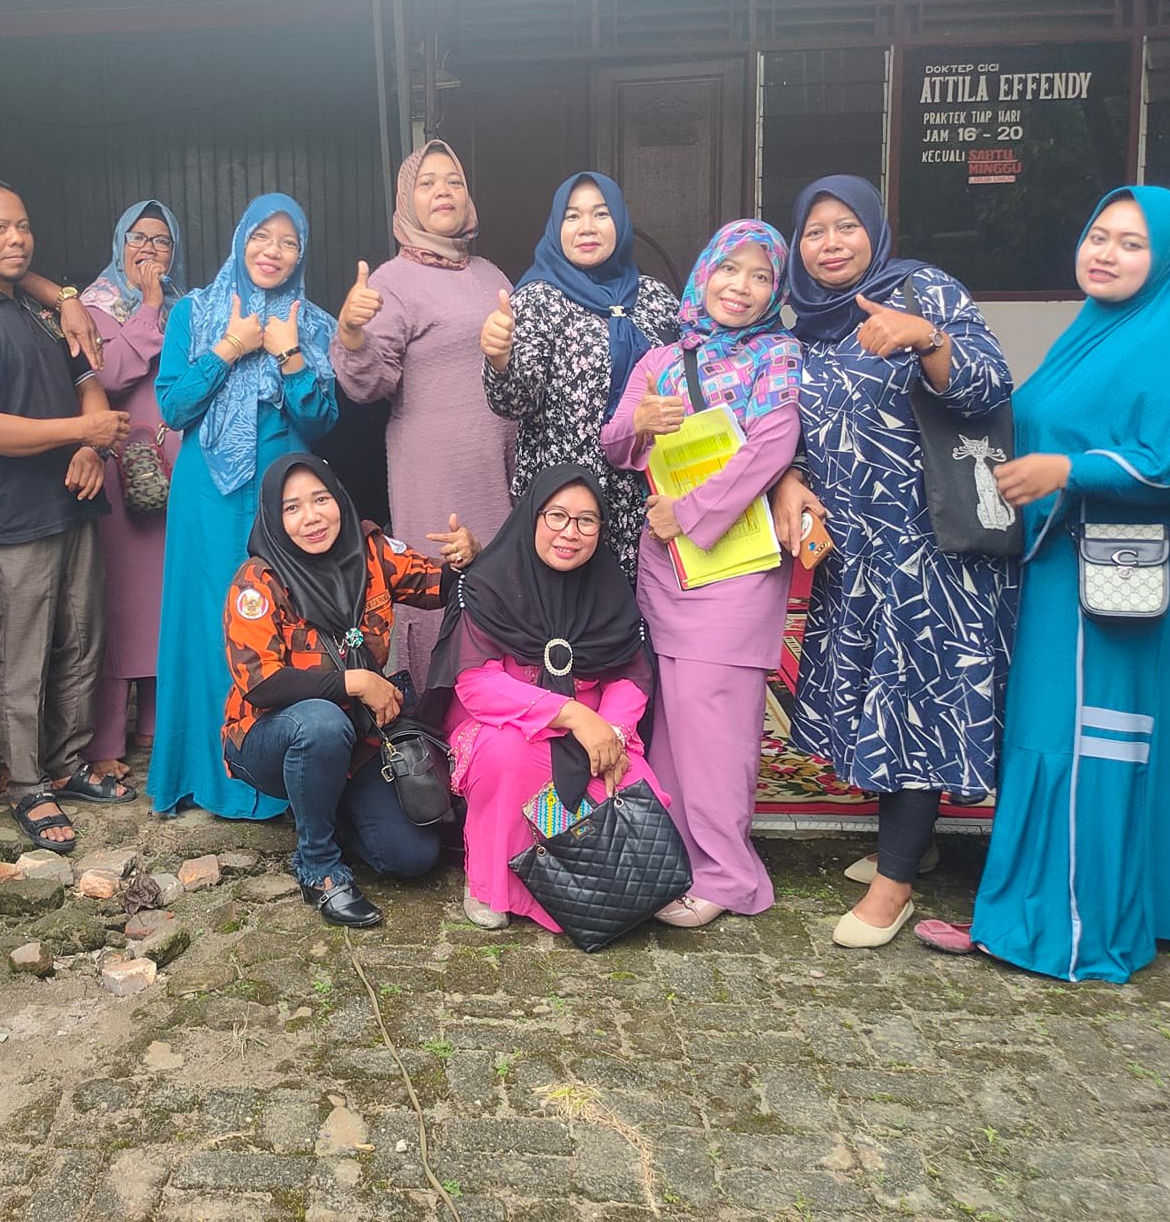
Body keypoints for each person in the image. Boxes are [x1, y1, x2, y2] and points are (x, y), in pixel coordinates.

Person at [918, 188, 1170, 982]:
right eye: (1099, 235)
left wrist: (1071, 469)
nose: (1106, 253)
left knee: (1082, 732)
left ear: (1166, 258)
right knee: (1078, 728)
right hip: (1078, 563)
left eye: (1131, 243)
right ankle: (1118, 903)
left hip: (1127, 576)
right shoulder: (1095, 333)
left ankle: (1060, 926)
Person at [768, 175, 1016, 950]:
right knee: (877, 699)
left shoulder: (924, 291)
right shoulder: (805, 326)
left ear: (875, 230)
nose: (831, 243)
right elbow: (792, 429)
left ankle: (897, 882)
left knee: (915, 698)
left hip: (930, 551)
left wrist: (927, 340)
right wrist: (790, 478)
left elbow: (989, 387)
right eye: (815, 231)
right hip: (855, 556)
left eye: (847, 226)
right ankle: (914, 841)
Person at [602, 220, 801, 926]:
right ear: (704, 273)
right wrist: (640, 422)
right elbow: (614, 442)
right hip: (667, 567)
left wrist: (688, 512)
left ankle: (730, 877)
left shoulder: (778, 354)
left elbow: (771, 447)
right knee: (676, 723)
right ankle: (683, 860)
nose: (741, 287)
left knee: (717, 727)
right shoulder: (661, 359)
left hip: (735, 564)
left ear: (776, 290)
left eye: (760, 276)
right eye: (729, 269)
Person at [0, 178, 129, 854]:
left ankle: (68, 763)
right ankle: (25, 783)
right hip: (12, 519)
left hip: (73, 500)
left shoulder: (37, 308)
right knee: (23, 657)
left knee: (82, 639)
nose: (16, 238)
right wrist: (78, 433)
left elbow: (86, 379)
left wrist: (90, 443)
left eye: (22, 225)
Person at [150, 194, 340, 818]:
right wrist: (230, 347)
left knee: (284, 623)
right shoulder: (194, 312)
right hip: (206, 492)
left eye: (289, 242)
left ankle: (278, 775)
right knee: (208, 622)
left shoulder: (314, 324)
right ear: (240, 239)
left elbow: (323, 419)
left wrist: (289, 354)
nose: (273, 252)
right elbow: (173, 407)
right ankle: (203, 772)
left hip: (284, 491)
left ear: (301, 254)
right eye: (262, 236)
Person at [221, 455, 470, 925]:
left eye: (321, 499)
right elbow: (261, 683)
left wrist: (468, 557)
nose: (312, 517)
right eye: (292, 507)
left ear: (339, 498)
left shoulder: (372, 552)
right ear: (274, 517)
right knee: (321, 723)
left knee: (412, 857)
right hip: (269, 737)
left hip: (359, 739)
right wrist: (356, 681)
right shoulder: (258, 582)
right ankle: (318, 866)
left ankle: (327, 810)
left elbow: (441, 586)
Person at [433, 465, 662, 933]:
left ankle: (593, 894)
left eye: (586, 520)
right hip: (507, 724)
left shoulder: (609, 589)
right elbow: (477, 684)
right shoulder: (491, 583)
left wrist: (611, 731)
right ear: (532, 515)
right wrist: (573, 714)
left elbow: (631, 674)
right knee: (507, 759)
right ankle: (491, 883)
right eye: (556, 516)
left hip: (592, 730)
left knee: (634, 788)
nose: (570, 532)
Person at [331, 140, 516, 689]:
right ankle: (434, 720)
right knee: (441, 587)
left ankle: (502, 717)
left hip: (501, 466)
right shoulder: (392, 281)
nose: (443, 192)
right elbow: (367, 384)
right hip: (436, 472)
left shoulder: (491, 274)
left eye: (454, 181)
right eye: (427, 183)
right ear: (405, 200)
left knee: (504, 587)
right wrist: (351, 332)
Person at [480, 173, 680, 582]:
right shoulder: (537, 299)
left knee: (642, 610)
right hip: (568, 503)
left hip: (647, 493)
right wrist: (500, 359)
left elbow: (688, 377)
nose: (587, 227)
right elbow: (515, 403)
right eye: (572, 216)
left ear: (620, 222)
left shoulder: (656, 298)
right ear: (557, 226)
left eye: (600, 214)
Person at [78, 200, 185, 782]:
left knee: (165, 600)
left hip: (176, 471)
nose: (149, 249)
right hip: (124, 473)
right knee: (123, 606)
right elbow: (110, 374)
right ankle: (106, 739)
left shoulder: (185, 305)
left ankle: (154, 725)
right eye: (138, 238)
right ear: (119, 243)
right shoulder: (94, 306)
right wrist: (146, 307)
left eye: (162, 240)